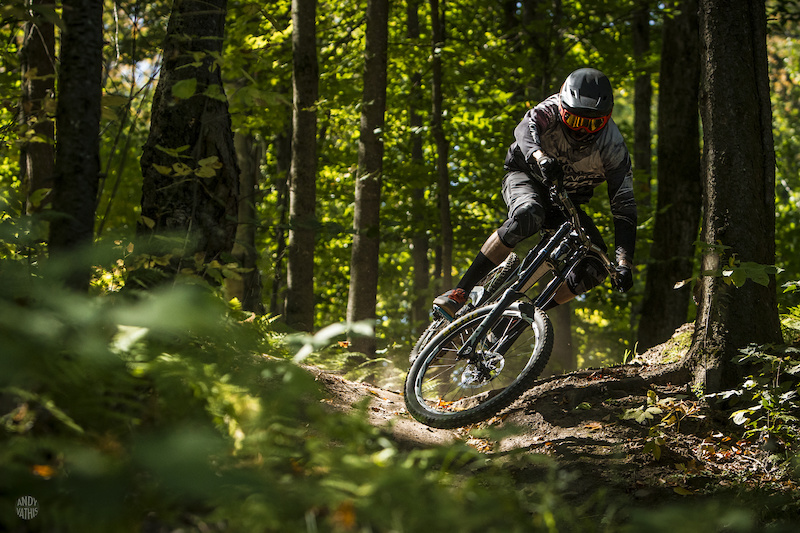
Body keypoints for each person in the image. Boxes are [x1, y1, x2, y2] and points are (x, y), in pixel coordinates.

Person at [433, 67, 637, 320]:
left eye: (593, 124)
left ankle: (523, 318)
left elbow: (624, 209)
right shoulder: (550, 108)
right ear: (563, 109)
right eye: (575, 121)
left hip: (566, 201)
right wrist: (539, 157)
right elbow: (523, 129)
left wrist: (624, 264)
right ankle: (459, 293)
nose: (583, 130)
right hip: (526, 175)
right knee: (528, 213)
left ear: (606, 120)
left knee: (596, 265)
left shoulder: (613, 147)